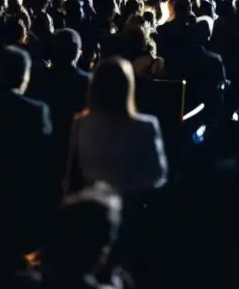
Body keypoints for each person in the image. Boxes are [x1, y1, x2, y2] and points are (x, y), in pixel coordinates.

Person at [67, 57, 168, 196]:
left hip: (91, 204)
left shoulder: (82, 124)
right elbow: (156, 175)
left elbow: (73, 175)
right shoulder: (145, 126)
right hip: (131, 205)